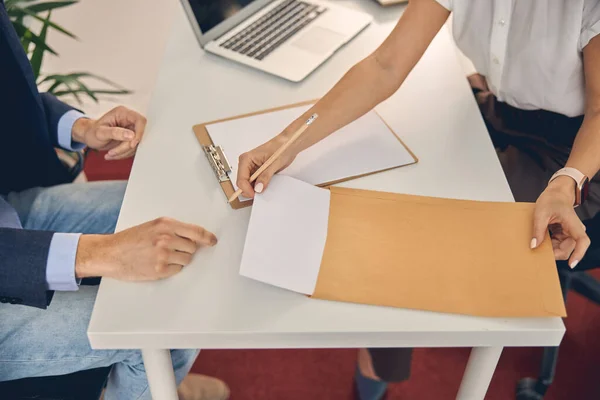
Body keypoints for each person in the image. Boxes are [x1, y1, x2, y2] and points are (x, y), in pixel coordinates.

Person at [235, 0, 600, 399]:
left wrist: (567, 183)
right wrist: (287, 143)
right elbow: (385, 66)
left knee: (411, 249)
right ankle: (376, 374)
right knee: (394, 187)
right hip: (499, 115)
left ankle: (374, 380)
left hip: (574, 156)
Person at [0, 2, 229, 399]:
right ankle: (151, 373)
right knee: (164, 325)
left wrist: (83, 128)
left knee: (175, 216)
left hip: (8, 213)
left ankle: (154, 376)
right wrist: (101, 252)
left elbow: (8, 92)